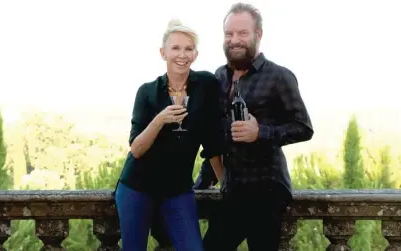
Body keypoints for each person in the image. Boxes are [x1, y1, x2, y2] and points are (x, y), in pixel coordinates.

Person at [203, 3, 314, 251]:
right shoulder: (219, 77)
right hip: (234, 190)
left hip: (268, 190)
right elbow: (217, 134)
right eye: (229, 34)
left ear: (258, 35)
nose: (234, 40)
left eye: (242, 33)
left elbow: (303, 127)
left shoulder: (279, 76)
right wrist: (206, 179)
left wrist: (260, 132)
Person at [113, 19, 224, 251]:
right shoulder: (147, 92)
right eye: (175, 48)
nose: (182, 55)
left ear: (195, 54)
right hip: (137, 187)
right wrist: (159, 120)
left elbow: (212, 141)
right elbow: (136, 149)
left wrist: (225, 184)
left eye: (188, 48)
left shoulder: (205, 85)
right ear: (163, 53)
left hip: (177, 190)